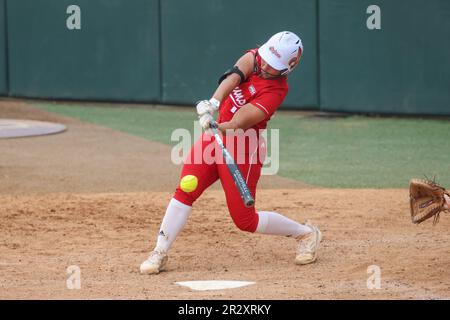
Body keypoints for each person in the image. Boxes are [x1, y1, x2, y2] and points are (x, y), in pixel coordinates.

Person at [140, 31, 322, 274]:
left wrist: (217, 126)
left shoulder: (276, 91)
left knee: (245, 221)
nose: (266, 65)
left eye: (273, 65)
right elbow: (234, 76)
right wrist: (213, 103)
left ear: (287, 69)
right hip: (214, 139)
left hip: (244, 145)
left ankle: (306, 233)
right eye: (266, 57)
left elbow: (239, 122)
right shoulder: (254, 57)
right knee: (186, 187)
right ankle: (159, 251)